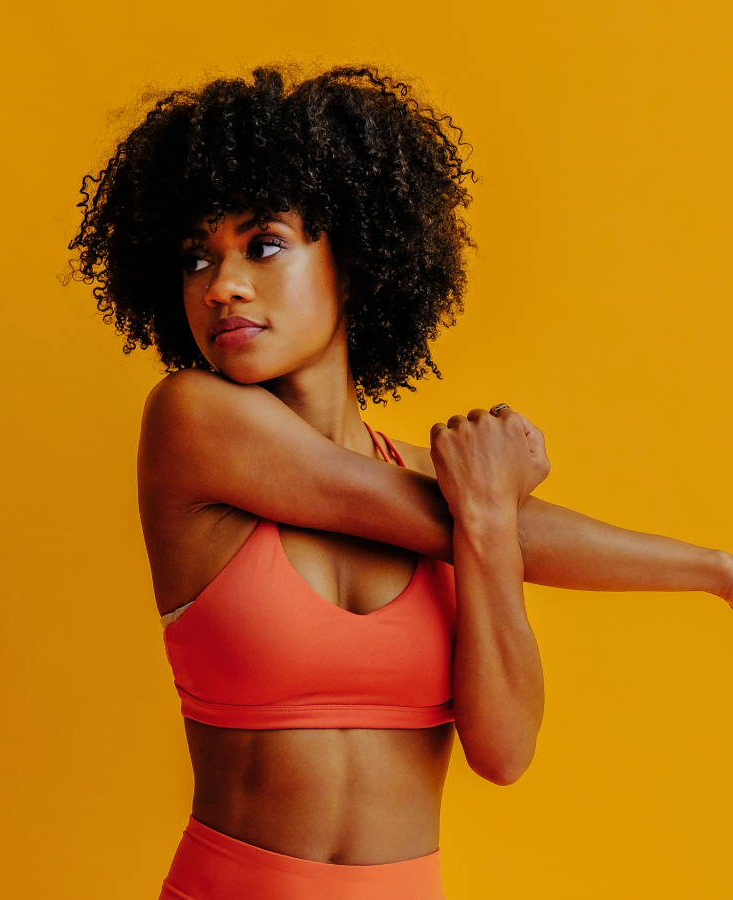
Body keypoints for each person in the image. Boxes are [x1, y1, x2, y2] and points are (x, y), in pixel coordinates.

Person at [68, 65, 732, 900]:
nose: (221, 284)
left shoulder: (444, 492)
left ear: (352, 254)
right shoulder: (192, 423)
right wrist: (487, 506)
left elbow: (504, 753)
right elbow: (407, 509)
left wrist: (497, 527)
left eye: (263, 243)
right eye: (198, 258)